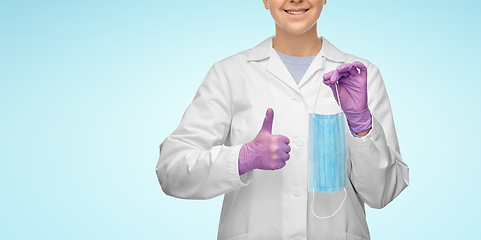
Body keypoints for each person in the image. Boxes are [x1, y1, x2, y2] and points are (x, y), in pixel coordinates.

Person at [155, 0, 409, 239]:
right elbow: (172, 170)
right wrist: (241, 158)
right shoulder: (229, 74)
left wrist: (362, 127)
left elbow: (383, 193)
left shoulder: (360, 75)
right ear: (265, 0)